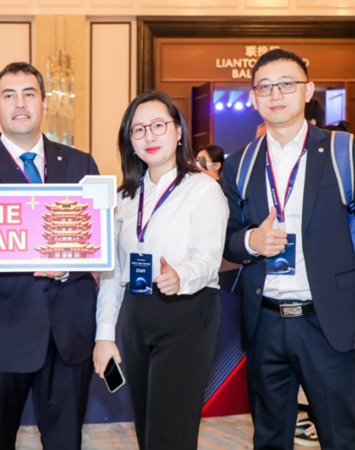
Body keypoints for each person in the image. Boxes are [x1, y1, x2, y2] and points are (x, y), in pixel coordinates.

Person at [221, 49, 355, 450]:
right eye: (265, 87)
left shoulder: (344, 151)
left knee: (338, 436)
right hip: (264, 323)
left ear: (307, 91)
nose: (275, 94)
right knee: (269, 438)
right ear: (253, 98)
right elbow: (227, 236)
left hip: (328, 323)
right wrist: (250, 241)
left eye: (286, 84)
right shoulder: (240, 164)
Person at [0, 62, 100, 450]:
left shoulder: (81, 164)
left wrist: (69, 268)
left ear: (45, 103)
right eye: (9, 95)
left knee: (66, 442)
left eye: (29, 94)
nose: (20, 103)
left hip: (68, 335)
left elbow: (97, 244)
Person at [93, 91, 227, 449]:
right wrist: (104, 335)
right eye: (138, 129)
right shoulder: (123, 197)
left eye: (158, 126)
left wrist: (181, 275)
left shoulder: (203, 189)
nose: (149, 136)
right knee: (147, 428)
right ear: (129, 140)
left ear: (178, 131)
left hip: (186, 311)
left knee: (170, 433)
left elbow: (209, 258)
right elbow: (112, 273)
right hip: (135, 313)